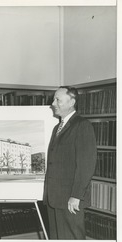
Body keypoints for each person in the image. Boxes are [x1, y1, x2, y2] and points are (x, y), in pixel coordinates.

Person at [43, 86, 97, 239]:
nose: (53, 103)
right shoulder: (56, 128)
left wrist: (76, 196)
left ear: (71, 101)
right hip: (54, 198)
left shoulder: (82, 126)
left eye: (57, 100)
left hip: (70, 199)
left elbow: (86, 165)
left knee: (72, 237)